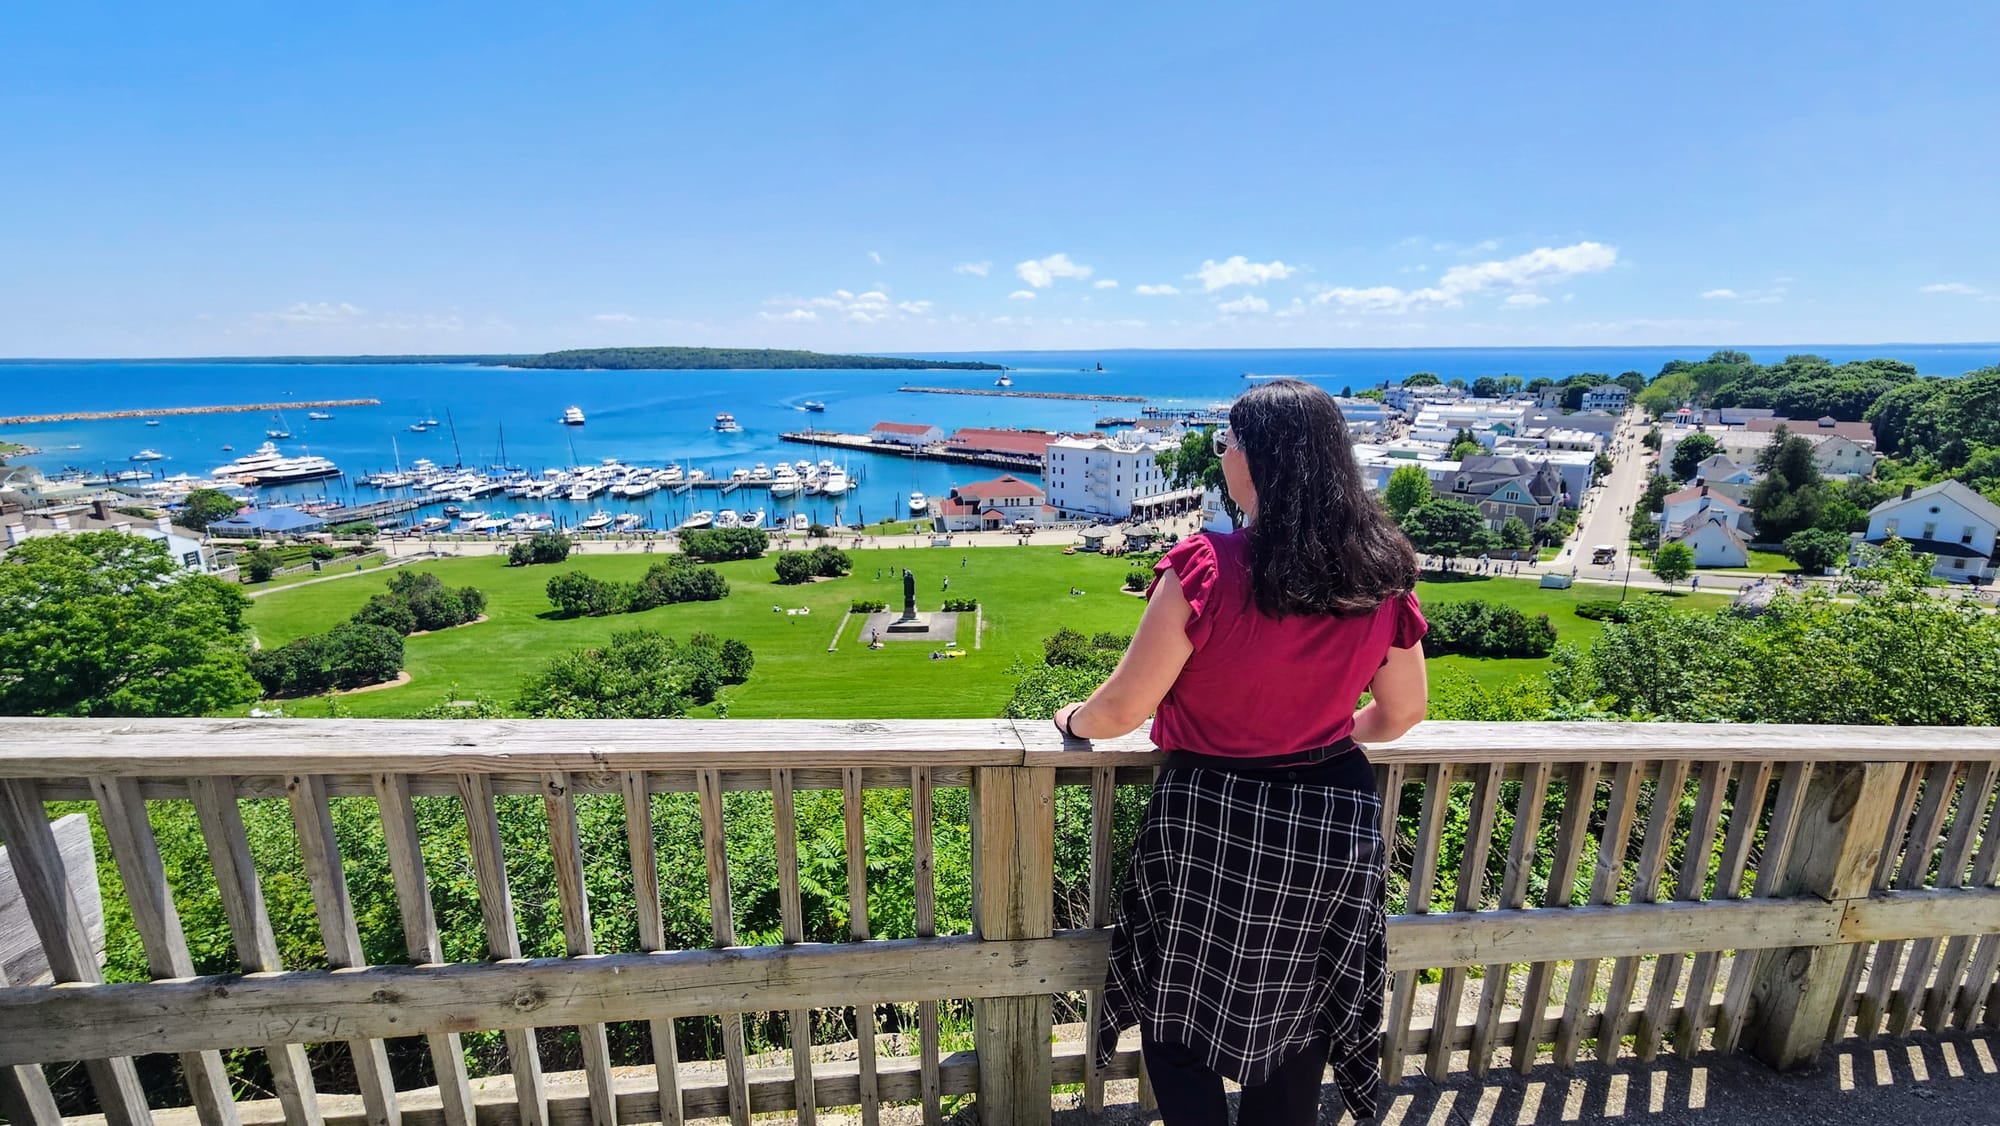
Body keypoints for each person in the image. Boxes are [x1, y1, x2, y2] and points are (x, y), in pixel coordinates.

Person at [1054, 378, 1428, 1126]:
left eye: (1228, 442)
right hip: (1332, 817)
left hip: (1214, 814)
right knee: (1303, 1005)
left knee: (1178, 1003)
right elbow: (1402, 713)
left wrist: (1071, 718)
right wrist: (1321, 732)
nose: (1222, 455)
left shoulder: (1209, 566)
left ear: (1258, 459)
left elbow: (1122, 710)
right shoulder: (1380, 570)